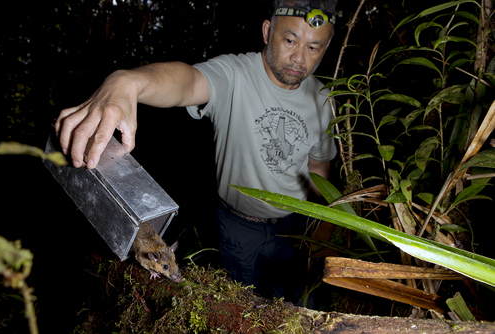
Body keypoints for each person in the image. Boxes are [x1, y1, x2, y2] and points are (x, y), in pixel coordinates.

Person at [56, 0, 338, 303]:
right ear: (268, 31)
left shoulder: (323, 98)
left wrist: (333, 225)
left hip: (294, 228)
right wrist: (129, 82)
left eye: (313, 48)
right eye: (290, 40)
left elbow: (317, 170)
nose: (298, 58)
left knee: (298, 306)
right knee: (244, 307)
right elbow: (188, 82)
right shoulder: (236, 74)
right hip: (239, 226)